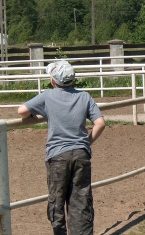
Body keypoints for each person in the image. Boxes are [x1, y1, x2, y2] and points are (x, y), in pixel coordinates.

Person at [17, 60, 106, 235]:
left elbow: (22, 111)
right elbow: (100, 123)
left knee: (57, 200)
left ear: (52, 80)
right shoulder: (84, 96)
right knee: (81, 200)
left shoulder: (47, 96)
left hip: (57, 155)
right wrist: (86, 143)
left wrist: (35, 114)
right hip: (81, 154)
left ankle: (59, 232)